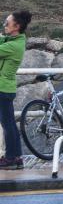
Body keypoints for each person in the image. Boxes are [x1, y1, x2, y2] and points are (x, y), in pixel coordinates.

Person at [0, 10, 32, 170]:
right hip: (5, 88)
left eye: (7, 23)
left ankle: (12, 157)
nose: (4, 25)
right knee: (9, 124)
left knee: (8, 125)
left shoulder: (13, 45)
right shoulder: (13, 41)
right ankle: (16, 157)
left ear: (16, 26)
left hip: (3, 89)